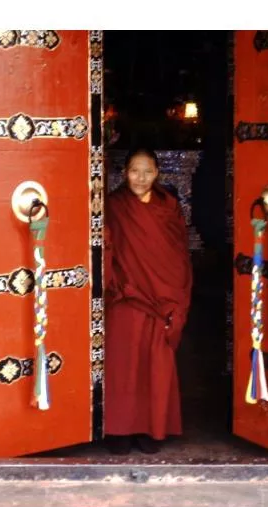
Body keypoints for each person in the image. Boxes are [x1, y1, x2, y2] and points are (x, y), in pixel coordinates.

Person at [103, 147, 193, 455]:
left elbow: (177, 255)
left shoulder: (167, 208)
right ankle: (119, 431)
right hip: (126, 296)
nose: (140, 178)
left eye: (147, 172)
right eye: (134, 171)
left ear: (157, 174)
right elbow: (104, 246)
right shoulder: (113, 206)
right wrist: (117, 282)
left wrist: (173, 297)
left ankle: (152, 430)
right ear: (124, 173)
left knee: (156, 364)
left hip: (161, 299)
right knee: (123, 365)